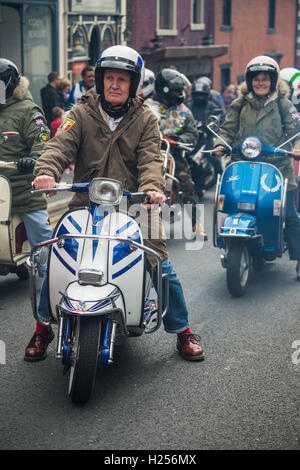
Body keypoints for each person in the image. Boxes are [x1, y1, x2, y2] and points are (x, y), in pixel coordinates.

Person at [26, 45, 205, 362]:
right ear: (99, 79)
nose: (114, 85)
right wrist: (45, 173)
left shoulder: (146, 119)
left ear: (133, 84)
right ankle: (43, 328)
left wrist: (152, 189)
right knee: (60, 252)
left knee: (159, 262)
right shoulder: (79, 114)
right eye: (109, 78)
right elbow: (58, 148)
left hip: (135, 205)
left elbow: (152, 161)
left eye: (122, 79)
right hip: (86, 203)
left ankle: (183, 331)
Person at [213, 55, 300, 280]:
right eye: (256, 78)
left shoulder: (284, 104)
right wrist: (221, 144)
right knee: (232, 202)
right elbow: (227, 129)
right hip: (244, 163)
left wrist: (297, 148)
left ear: (273, 80)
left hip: (277, 167)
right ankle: (234, 239)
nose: (261, 82)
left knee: (289, 214)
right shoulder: (239, 103)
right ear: (249, 80)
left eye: (265, 78)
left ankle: (299, 257)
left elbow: (296, 131)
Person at [0, 58, 54, 358]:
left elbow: (44, 143)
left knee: (46, 260)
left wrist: (34, 158)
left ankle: (43, 327)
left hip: (23, 194)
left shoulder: (27, 110)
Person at [146, 68, 207, 240]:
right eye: (176, 90)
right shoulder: (147, 108)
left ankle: (196, 223)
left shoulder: (185, 111)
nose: (180, 94)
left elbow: (192, 134)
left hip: (175, 154)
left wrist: (178, 139)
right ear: (164, 89)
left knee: (188, 184)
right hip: (149, 154)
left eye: (181, 90)